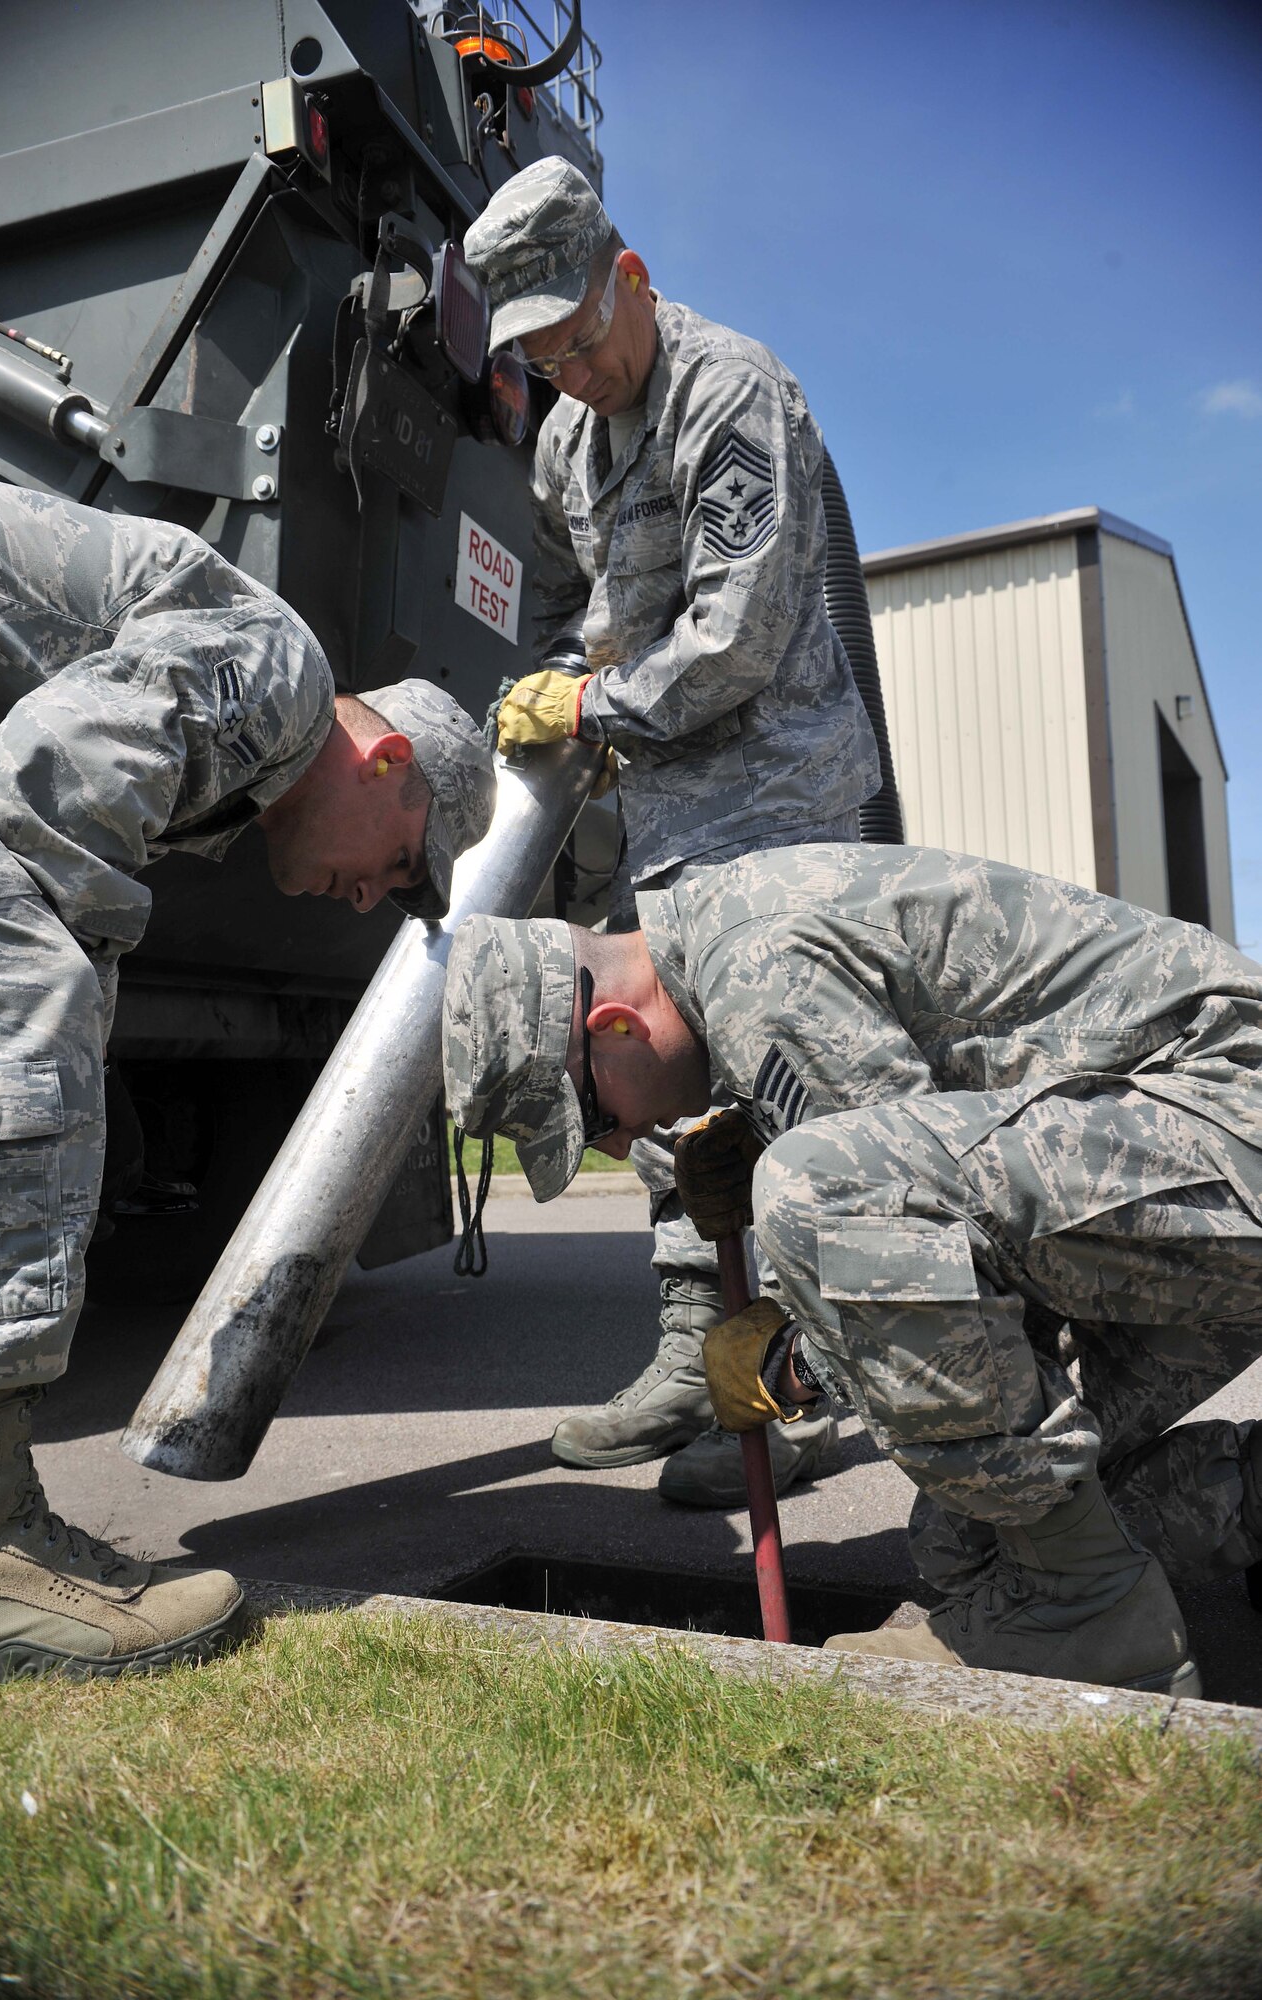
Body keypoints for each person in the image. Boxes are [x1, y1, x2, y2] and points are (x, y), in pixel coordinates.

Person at [442, 845, 1262, 1693]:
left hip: (1230, 1119)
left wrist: (792, 1368)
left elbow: (891, 1227)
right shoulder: (723, 940)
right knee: (970, 1537)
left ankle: (1087, 1610)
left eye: (591, 1117)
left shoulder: (754, 964)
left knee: (819, 1187)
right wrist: (762, 1129)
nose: (616, 1144)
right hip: (1184, 1171)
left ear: (612, 1024)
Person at [0, 466, 495, 1680]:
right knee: (18, 988)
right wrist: (67, 1057)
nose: (376, 897)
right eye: (403, 865)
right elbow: (45, 778)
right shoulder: (280, 675)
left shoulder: (242, 745)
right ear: (387, 756)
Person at [463, 156, 881, 1507]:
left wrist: (588, 702)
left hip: (783, 803)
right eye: (538, 357)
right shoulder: (562, 445)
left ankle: (811, 1389)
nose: (568, 374)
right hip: (665, 818)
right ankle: (693, 1359)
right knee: (665, 1094)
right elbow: (572, 611)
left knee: (795, 1100)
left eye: (579, 339)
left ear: (627, 280)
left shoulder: (731, 390)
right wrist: (547, 698)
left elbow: (738, 637)